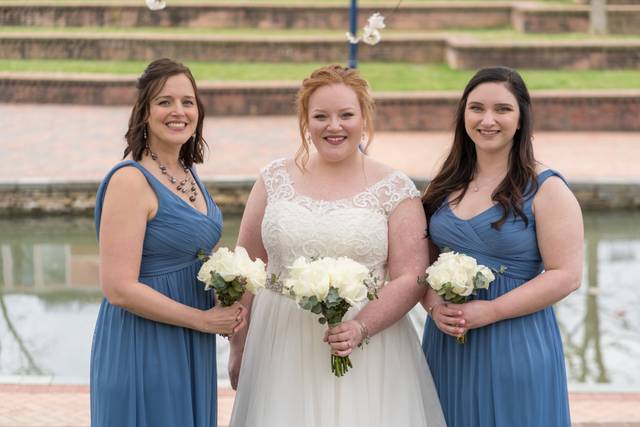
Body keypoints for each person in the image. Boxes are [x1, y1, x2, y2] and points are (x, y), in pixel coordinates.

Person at [228, 65, 446, 427]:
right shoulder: (273, 179)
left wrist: (360, 327)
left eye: (346, 115)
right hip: (279, 343)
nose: (334, 126)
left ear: (364, 118)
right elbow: (248, 265)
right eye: (321, 116)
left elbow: (411, 276)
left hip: (370, 344)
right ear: (305, 120)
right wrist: (238, 346)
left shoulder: (394, 187)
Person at [421, 66, 583, 427]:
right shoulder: (445, 184)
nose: (487, 120)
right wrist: (433, 307)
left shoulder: (547, 188)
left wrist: (491, 311)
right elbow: (420, 265)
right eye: (476, 108)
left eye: (502, 109)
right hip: (447, 343)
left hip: (516, 340)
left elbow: (566, 276)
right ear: (463, 113)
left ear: (522, 116)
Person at [90, 58, 247, 427]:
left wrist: (225, 292)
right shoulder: (130, 181)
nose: (179, 111)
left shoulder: (188, 173)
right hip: (142, 344)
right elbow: (119, 288)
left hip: (189, 340)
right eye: (164, 102)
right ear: (144, 112)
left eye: (187, 102)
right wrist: (202, 319)